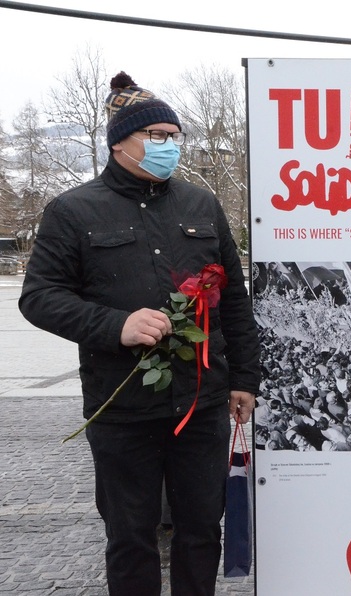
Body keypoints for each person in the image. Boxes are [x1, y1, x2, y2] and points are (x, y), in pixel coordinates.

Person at [18, 72, 261, 596]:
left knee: (200, 532)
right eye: (156, 136)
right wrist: (117, 325)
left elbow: (234, 300)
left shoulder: (201, 206)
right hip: (123, 410)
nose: (168, 146)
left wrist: (244, 377)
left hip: (202, 404)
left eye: (174, 136)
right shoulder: (73, 211)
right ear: (118, 142)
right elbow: (38, 297)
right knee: (131, 537)